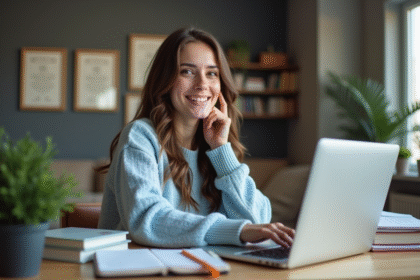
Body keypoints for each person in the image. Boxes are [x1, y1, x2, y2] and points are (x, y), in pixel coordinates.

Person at [97, 27, 295, 248]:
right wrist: (235, 230)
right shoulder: (141, 136)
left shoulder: (214, 147)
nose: (202, 84)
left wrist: (221, 151)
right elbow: (147, 219)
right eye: (187, 71)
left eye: (212, 73)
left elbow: (259, 220)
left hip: (206, 266)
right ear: (166, 79)